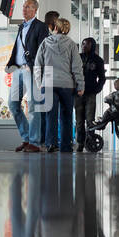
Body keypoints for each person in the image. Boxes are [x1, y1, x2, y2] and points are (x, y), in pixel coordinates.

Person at [6, 0, 50, 152]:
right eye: (24, 6)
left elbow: (42, 50)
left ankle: (35, 142)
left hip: (31, 70)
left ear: (35, 10)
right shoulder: (21, 27)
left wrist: (36, 68)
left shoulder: (41, 27)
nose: (24, 9)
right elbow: (17, 48)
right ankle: (26, 138)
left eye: (28, 7)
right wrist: (10, 64)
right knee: (12, 104)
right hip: (18, 69)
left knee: (33, 105)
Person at [33, 17, 84, 153]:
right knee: (67, 115)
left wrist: (39, 83)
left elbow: (38, 65)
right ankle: (66, 145)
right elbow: (77, 67)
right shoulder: (72, 44)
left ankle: (51, 144)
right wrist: (80, 86)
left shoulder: (45, 42)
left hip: (48, 82)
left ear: (56, 27)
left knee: (51, 115)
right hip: (67, 84)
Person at [75, 37, 106, 151]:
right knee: (79, 121)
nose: (84, 46)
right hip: (78, 94)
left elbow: (102, 78)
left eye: (87, 44)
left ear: (92, 46)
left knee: (90, 120)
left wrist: (96, 90)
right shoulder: (77, 58)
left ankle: (90, 142)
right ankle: (80, 143)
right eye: (83, 44)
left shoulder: (98, 60)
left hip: (90, 94)